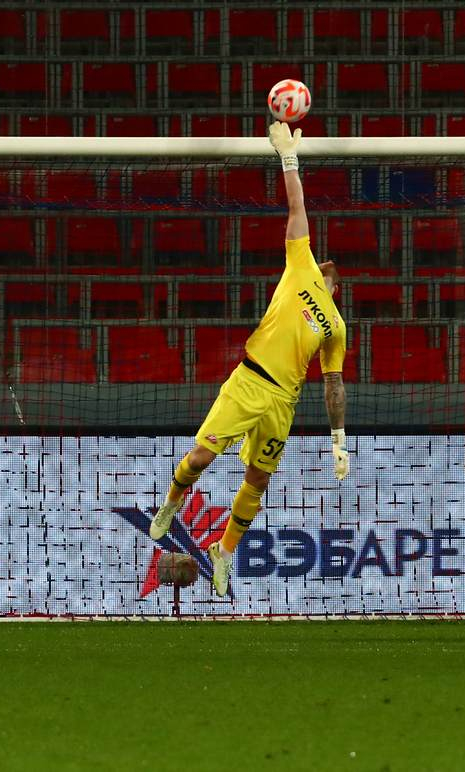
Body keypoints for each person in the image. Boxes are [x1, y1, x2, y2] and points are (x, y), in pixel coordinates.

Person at [148, 123, 349, 597]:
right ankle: (171, 503)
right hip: (249, 381)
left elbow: (333, 383)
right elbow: (297, 208)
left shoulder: (337, 327)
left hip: (283, 402)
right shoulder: (300, 266)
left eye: (332, 269)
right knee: (201, 456)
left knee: (258, 478)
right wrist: (289, 158)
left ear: (337, 288)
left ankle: (224, 551)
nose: (326, 263)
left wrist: (339, 438)